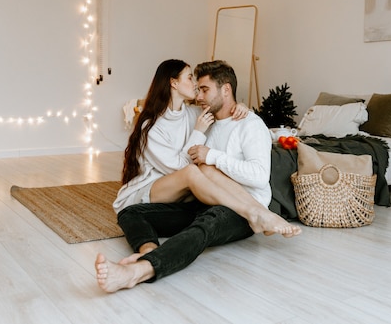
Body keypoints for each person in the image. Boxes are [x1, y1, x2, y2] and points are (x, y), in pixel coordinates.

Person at [95, 60, 301, 292]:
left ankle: (138, 271)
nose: (198, 94)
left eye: (204, 89)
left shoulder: (249, 125)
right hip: (203, 197)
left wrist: (213, 153)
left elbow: (260, 177)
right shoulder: (205, 119)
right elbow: (184, 164)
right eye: (195, 84)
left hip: (240, 206)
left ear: (225, 90)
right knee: (130, 212)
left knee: (202, 227)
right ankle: (149, 250)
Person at [112, 59, 297, 236]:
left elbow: (222, 107)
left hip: (184, 191)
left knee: (204, 170)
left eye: (201, 87)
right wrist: (198, 132)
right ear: (173, 83)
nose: (195, 87)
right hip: (155, 187)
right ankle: (253, 213)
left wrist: (242, 107)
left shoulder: (195, 113)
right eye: (190, 78)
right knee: (195, 171)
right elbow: (179, 168)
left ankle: (257, 212)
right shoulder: (152, 127)